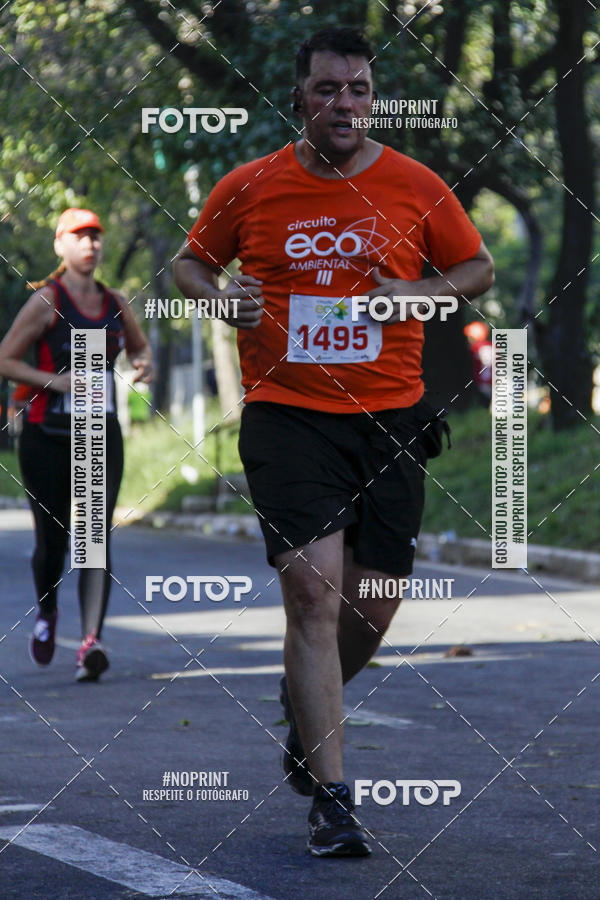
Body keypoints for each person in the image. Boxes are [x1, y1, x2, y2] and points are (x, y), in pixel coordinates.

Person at [174, 27, 494, 856]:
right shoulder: (250, 186)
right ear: (300, 98)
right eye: (327, 89)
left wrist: (417, 292)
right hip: (287, 414)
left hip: (390, 417)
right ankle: (335, 800)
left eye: (358, 89)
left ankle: (304, 711)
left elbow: (477, 269)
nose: (344, 103)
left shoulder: (416, 183)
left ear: (373, 99)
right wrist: (221, 299)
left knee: (373, 604)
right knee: (313, 594)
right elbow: (189, 265)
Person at [0, 208, 153, 681]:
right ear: (60, 245)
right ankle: (47, 611)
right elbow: (6, 360)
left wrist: (145, 363)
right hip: (47, 436)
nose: (90, 244)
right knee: (53, 543)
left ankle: (91, 643)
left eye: (96, 237)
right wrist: (56, 382)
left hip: (98, 433)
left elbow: (139, 347)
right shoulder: (47, 300)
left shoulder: (116, 302)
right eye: (80, 236)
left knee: (94, 538)